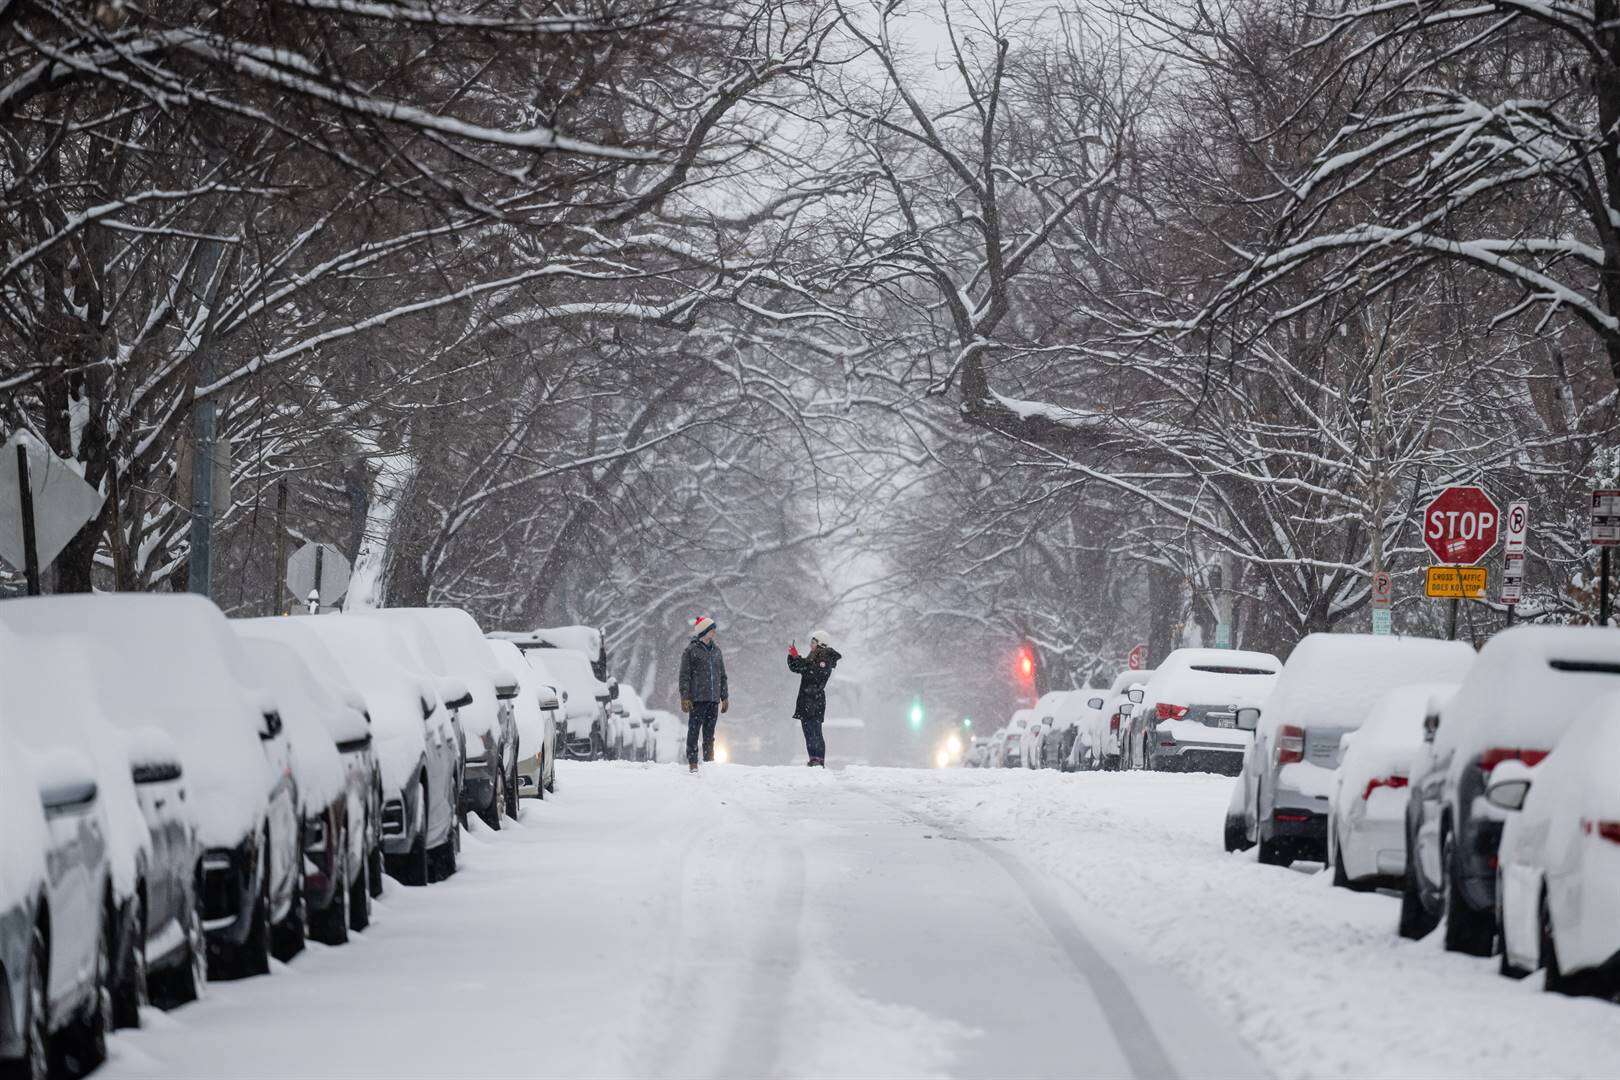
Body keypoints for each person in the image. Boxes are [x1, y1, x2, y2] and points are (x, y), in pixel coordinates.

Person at [679, 616, 728, 772]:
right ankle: (693, 761)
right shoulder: (690, 651)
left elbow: (722, 675)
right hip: (698, 699)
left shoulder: (717, 651)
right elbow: (684, 676)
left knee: (709, 733)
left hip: (713, 699)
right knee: (694, 731)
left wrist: (724, 696)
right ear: (704, 631)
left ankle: (708, 761)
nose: (714, 631)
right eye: (711, 629)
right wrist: (685, 697)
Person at [788, 629, 841, 766]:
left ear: (821, 643)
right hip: (807, 699)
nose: (810, 645)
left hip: (814, 700)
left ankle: (818, 759)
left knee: (814, 731)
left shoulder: (824, 658)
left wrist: (800, 661)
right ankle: (813, 758)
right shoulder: (813, 656)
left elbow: (814, 674)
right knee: (808, 732)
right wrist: (793, 656)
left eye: (813, 642)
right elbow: (798, 668)